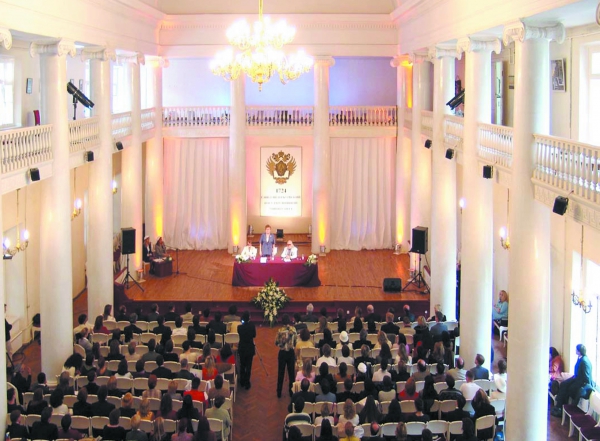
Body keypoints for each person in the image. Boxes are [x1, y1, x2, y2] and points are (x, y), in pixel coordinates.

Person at [552, 344, 595, 417]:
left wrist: (575, 382)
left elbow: (586, 377)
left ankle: (560, 407)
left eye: (576, 350)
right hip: (577, 379)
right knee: (564, 384)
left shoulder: (584, 361)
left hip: (581, 383)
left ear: (579, 351)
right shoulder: (581, 358)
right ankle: (559, 406)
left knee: (566, 387)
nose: (575, 351)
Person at [275, 314, 297, 398]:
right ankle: (291, 391)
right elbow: (295, 342)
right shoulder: (293, 329)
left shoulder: (280, 330)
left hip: (282, 353)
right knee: (291, 373)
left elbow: (276, 343)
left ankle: (279, 392)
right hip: (291, 353)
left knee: (281, 372)